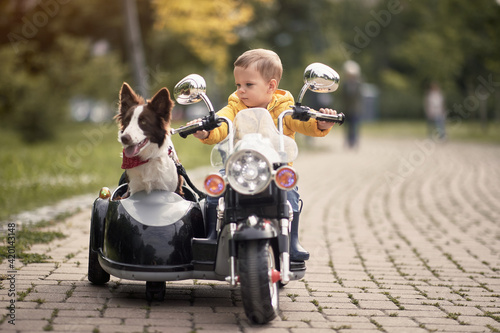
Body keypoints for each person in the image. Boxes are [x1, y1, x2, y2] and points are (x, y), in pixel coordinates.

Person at [187, 49, 337, 261]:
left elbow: (302, 122)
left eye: (249, 85)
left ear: (271, 86)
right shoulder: (234, 106)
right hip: (237, 168)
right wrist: (206, 130)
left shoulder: (285, 108)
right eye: (238, 85)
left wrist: (320, 122)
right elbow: (222, 123)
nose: (241, 91)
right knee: (215, 192)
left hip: (274, 170)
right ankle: (213, 236)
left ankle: (291, 240)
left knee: (291, 195)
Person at [340, 60, 363, 149]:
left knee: (355, 126)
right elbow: (343, 98)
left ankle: (354, 142)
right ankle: (348, 141)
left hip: (355, 109)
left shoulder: (358, 84)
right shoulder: (345, 85)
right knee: (347, 127)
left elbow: (359, 98)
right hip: (346, 109)